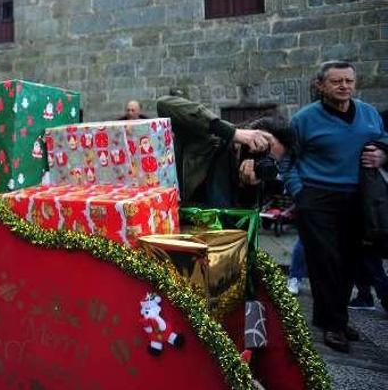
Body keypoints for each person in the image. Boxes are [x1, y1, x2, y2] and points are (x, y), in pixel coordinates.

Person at [284, 60, 388, 353]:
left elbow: (383, 141)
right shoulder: (304, 119)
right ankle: (335, 326)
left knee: (351, 262)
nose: (344, 86)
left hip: (359, 198)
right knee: (326, 262)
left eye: (349, 81)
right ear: (321, 86)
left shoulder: (368, 113)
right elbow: (288, 160)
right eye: (336, 81)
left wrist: (381, 153)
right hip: (317, 198)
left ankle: (329, 317)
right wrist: (298, 192)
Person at [156, 95, 292, 208]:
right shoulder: (211, 138)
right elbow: (164, 104)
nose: (262, 160)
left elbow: (241, 229)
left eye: (270, 160)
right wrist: (232, 133)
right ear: (250, 135)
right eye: (262, 151)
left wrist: (249, 188)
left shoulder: (256, 177)